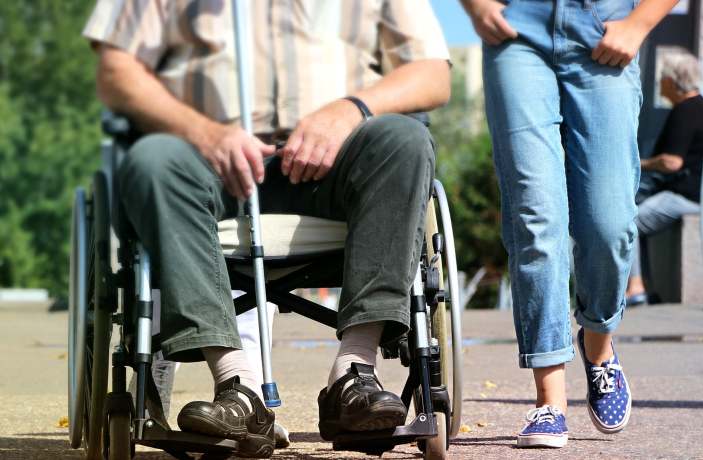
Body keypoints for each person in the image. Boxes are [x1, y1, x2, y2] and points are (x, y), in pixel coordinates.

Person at [83, 1, 450, 455]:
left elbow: (432, 73)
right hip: (205, 159)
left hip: (336, 160)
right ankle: (237, 386)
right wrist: (202, 130)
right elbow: (116, 70)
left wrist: (351, 108)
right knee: (153, 160)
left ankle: (354, 372)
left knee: (405, 140)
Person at [462, 0, 677, 448]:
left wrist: (640, 23)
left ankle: (598, 344)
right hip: (517, 30)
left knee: (609, 222)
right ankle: (550, 401)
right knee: (535, 217)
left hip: (604, 24)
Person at [625, 48, 703, 306]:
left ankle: (636, 287)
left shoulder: (686, 110)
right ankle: (646, 286)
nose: (660, 83)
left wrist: (637, 163)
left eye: (662, 78)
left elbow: (671, 162)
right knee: (636, 213)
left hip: (690, 196)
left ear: (671, 80)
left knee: (629, 221)